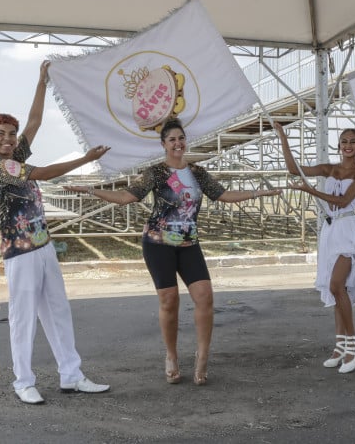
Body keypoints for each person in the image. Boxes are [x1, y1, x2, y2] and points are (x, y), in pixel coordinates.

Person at [64, 118, 280, 386]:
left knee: (205, 298)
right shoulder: (156, 173)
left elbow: (223, 195)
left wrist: (259, 193)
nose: (178, 144)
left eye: (181, 138)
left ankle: (202, 357)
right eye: (172, 140)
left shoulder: (197, 174)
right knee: (169, 301)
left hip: (189, 244)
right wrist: (89, 190)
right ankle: (172, 355)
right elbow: (125, 197)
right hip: (158, 244)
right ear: (163, 144)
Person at [0, 60, 112, 404]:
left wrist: (42, 82)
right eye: (1, 134)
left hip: (43, 245)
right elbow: (41, 174)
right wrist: (85, 160)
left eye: (11, 133)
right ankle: (23, 381)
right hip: (19, 251)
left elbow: (36, 121)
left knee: (57, 311)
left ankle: (72, 375)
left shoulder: (16, 152)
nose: (8, 139)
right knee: (23, 317)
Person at [274, 123, 355, 374]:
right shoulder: (329, 168)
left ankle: (353, 345)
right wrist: (283, 138)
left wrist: (310, 190)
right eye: (344, 141)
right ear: (339, 145)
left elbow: (343, 201)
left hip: (349, 229)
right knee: (336, 289)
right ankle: (340, 346)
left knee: (336, 285)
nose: (348, 145)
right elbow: (293, 169)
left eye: (353, 141)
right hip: (330, 232)